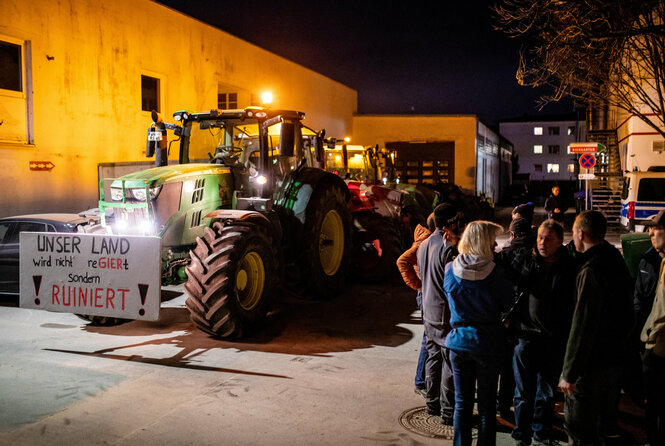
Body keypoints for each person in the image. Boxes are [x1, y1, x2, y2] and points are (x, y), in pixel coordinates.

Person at [558, 211, 633, 446]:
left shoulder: (590, 270)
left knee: (579, 430)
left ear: (580, 233)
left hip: (591, 367)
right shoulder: (614, 258)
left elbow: (583, 324)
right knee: (603, 426)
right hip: (614, 360)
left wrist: (569, 372)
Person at [505, 220, 576, 446]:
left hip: (552, 339)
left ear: (560, 242)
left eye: (548, 239)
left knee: (546, 393)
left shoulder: (568, 268)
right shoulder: (525, 259)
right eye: (540, 238)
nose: (543, 243)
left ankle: (541, 431)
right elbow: (504, 285)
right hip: (525, 336)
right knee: (523, 392)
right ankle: (521, 433)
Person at [443, 221, 514, 446]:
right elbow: (508, 303)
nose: (495, 244)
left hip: (458, 343)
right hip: (488, 344)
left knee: (462, 404)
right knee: (486, 407)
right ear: (483, 242)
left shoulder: (450, 270)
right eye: (492, 240)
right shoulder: (496, 274)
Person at [417, 203, 460, 425]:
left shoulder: (423, 244)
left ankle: (432, 403)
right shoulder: (448, 248)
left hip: (428, 311)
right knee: (449, 362)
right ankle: (447, 410)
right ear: (449, 224)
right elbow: (453, 284)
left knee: (433, 357)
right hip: (445, 313)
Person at [494, 216, 536, 419]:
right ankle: (525, 412)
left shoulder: (504, 255)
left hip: (506, 317)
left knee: (505, 366)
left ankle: (502, 405)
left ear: (513, 235)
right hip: (529, 320)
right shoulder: (537, 255)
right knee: (526, 370)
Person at [396, 213, 436, 398]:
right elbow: (402, 261)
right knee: (428, 338)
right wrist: (420, 285)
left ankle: (428, 379)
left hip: (428, 293)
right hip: (425, 294)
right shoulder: (425, 242)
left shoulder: (429, 239)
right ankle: (420, 381)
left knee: (430, 337)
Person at [635, 209, 665, 445]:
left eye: (657, 230)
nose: (651, 234)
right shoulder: (653, 259)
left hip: (658, 343)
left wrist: (650, 335)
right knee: (651, 399)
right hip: (653, 343)